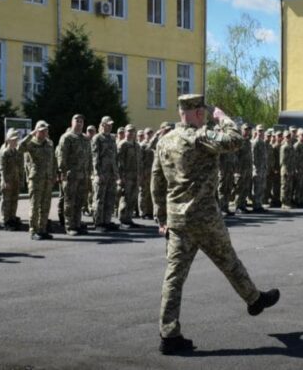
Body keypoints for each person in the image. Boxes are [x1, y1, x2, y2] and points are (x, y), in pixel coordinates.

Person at [152, 94, 279, 355]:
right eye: (204, 113)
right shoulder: (198, 137)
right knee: (229, 262)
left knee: (174, 278)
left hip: (177, 220)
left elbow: (156, 180)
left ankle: (168, 334)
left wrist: (161, 217)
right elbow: (235, 140)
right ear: (198, 113)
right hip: (205, 218)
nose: (206, 117)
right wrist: (223, 119)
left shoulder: (164, 140)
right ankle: (254, 299)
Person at [18, 121, 56, 240]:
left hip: (47, 178)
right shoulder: (31, 143)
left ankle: (42, 229)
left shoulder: (49, 143)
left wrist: (54, 175)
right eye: (42, 130)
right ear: (37, 131)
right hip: (35, 179)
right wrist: (31, 134)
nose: (45, 132)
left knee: (45, 206)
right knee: (35, 206)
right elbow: (19, 148)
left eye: (46, 130)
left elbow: (53, 161)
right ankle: (33, 230)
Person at [57, 114, 90, 235]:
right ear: (72, 122)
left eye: (81, 121)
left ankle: (77, 224)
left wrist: (89, 172)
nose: (79, 123)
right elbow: (62, 156)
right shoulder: (67, 137)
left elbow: (89, 157)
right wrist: (63, 172)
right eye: (77, 120)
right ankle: (69, 226)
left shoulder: (85, 139)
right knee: (69, 201)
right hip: (71, 175)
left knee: (79, 201)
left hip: (83, 175)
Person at [92, 116, 118, 231]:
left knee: (110, 198)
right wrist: (97, 173)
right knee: (99, 198)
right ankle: (98, 223)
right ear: (102, 125)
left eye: (111, 124)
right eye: (108, 124)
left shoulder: (112, 138)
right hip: (102, 172)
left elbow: (114, 157)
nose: (110, 126)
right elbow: (95, 157)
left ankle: (106, 221)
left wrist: (116, 173)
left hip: (111, 173)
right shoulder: (97, 138)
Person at [117, 124, 141, 227]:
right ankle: (123, 220)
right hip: (126, 176)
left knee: (133, 198)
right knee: (125, 198)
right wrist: (120, 177)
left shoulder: (137, 145)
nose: (131, 133)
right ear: (125, 132)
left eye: (132, 131)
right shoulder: (122, 144)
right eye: (129, 131)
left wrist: (140, 174)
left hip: (135, 175)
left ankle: (129, 218)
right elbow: (119, 162)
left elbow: (139, 161)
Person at [0, 129, 22, 231]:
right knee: (6, 201)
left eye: (16, 139)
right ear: (8, 140)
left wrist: (20, 179)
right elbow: (2, 167)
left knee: (14, 200)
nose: (15, 141)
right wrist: (3, 180)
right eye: (13, 139)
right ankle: (6, 221)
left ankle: (12, 218)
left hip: (15, 179)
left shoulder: (16, 151)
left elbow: (19, 166)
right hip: (7, 180)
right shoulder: (5, 152)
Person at [250, 125, 268, 212]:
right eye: (259, 131)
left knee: (261, 187)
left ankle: (259, 204)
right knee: (257, 187)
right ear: (256, 132)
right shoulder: (255, 142)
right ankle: (255, 205)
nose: (261, 133)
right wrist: (256, 168)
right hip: (257, 169)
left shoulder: (262, 142)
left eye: (262, 131)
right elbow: (253, 157)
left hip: (262, 169)